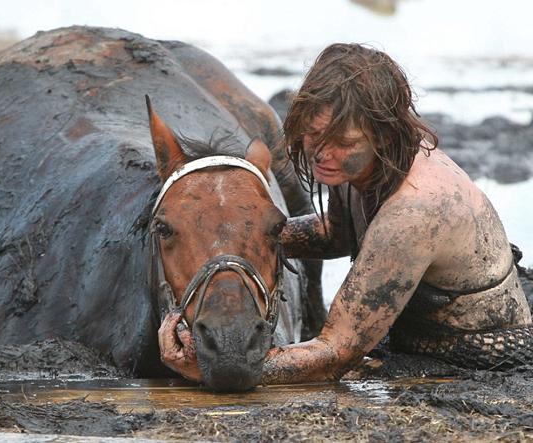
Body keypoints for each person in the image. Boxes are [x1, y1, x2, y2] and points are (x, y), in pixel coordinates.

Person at [158, 43, 533, 384]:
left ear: (384, 134)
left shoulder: (415, 211)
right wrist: (239, 240)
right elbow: (337, 234)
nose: (322, 153)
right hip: (412, 335)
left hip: (476, 356)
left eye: (344, 142)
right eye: (314, 135)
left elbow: (335, 352)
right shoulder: (358, 164)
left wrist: (219, 364)